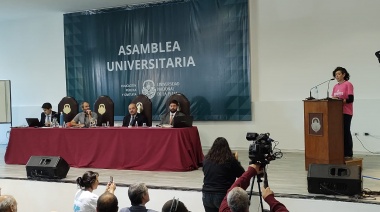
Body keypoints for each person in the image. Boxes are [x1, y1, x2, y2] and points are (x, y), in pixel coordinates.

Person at [219, 164, 288, 212]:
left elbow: (232, 189)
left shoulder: (223, 209)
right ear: (248, 203)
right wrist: (270, 198)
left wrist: (251, 171)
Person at [202, 137, 245, 212]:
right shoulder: (230, 160)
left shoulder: (206, 159)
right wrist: (236, 161)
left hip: (206, 194)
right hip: (222, 194)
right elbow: (242, 174)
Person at [331, 67, 354, 159]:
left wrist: (339, 100)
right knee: (338, 132)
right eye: (336, 75)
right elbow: (333, 99)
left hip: (346, 112)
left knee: (345, 131)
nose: (337, 76)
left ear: (344, 75)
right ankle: (340, 152)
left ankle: (348, 153)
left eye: (339, 74)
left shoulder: (348, 84)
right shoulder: (335, 87)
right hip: (336, 113)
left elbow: (350, 99)